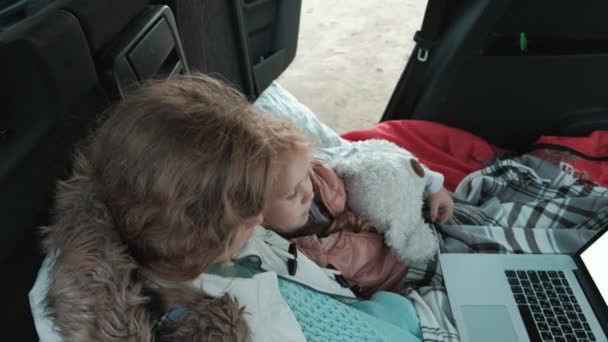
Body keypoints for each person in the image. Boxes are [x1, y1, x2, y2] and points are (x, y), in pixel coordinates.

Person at [42, 73, 422, 342]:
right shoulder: (241, 319)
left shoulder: (158, 238)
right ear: (199, 232)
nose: (258, 218)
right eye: (244, 211)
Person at [261, 132, 455, 297]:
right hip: (395, 286)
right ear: (256, 213)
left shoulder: (321, 171)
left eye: (305, 176)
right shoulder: (277, 254)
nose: (308, 193)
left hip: (415, 224)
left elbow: (374, 155)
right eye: (291, 194)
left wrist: (434, 184)